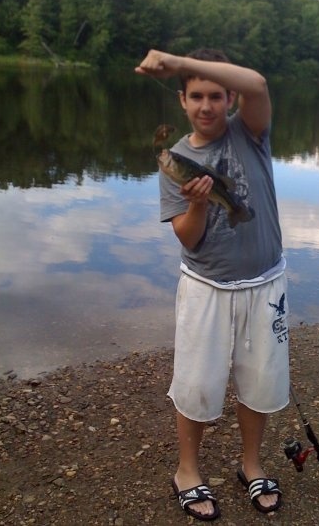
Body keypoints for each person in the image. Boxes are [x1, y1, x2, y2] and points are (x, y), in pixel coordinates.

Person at [135, 48, 290, 521]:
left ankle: (251, 465)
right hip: (206, 285)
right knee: (197, 383)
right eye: (196, 95)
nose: (206, 106)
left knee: (260, 380)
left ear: (229, 99)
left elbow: (258, 83)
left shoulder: (251, 133)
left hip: (265, 282)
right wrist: (199, 203)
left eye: (216, 96)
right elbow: (188, 236)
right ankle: (187, 470)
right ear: (182, 101)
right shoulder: (173, 160)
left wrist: (180, 62)